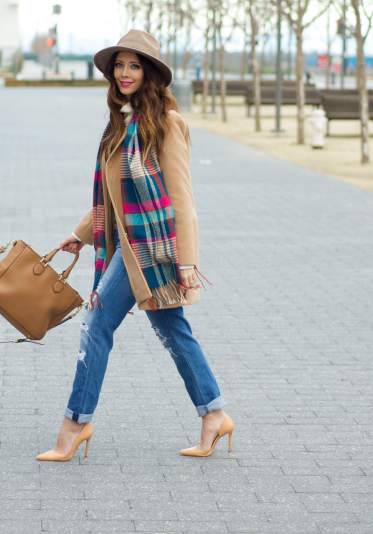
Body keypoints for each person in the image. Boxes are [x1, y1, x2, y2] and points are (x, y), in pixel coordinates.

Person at [36, 30, 234, 462]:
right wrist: (82, 233)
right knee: (172, 330)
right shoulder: (120, 123)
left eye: (135, 66)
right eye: (120, 65)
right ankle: (214, 414)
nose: (125, 73)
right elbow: (114, 197)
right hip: (131, 245)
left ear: (150, 74)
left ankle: (75, 423)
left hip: (152, 250)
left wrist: (187, 263)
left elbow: (182, 200)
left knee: (96, 322)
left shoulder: (167, 122)